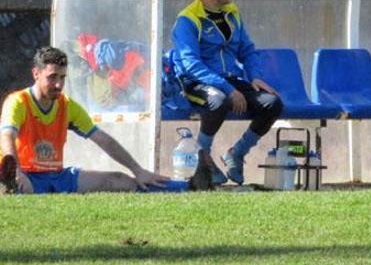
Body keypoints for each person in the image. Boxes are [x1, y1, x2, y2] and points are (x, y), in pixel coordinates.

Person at [0, 47, 212, 194]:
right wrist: (17, 171)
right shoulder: (18, 101)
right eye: (52, 77)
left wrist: (137, 170)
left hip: (56, 176)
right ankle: (10, 183)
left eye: (62, 77)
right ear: (36, 73)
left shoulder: (66, 105)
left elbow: (103, 140)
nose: (58, 84)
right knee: (20, 186)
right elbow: (7, 135)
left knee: (121, 181)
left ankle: (190, 186)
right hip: (25, 173)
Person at [171, 0, 283, 186]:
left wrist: (254, 76)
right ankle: (203, 159)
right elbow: (191, 64)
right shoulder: (187, 20)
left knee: (272, 103)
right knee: (218, 101)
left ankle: (237, 153)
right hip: (196, 82)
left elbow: (248, 50)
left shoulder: (232, 13)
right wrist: (228, 89)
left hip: (229, 80)